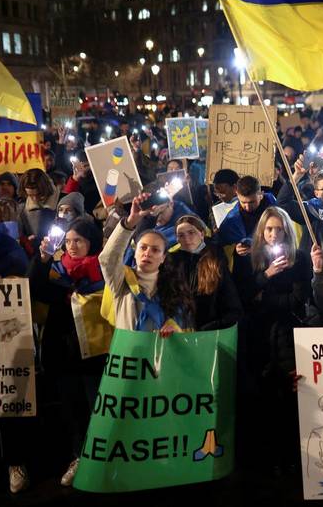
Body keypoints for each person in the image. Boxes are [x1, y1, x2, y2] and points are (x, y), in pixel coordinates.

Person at [27, 217, 106, 488]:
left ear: (91, 243)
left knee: (96, 406)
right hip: (63, 350)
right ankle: (77, 456)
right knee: (72, 409)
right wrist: (44, 259)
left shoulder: (102, 269)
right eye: (68, 241)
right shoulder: (56, 270)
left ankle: (99, 457)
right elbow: (35, 288)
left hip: (95, 353)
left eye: (79, 241)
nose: (72, 246)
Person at [232, 206, 312, 472]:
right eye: (269, 229)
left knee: (290, 393)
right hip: (258, 335)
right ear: (261, 231)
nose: (274, 234)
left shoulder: (298, 258)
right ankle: (266, 458)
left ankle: (293, 457)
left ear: (287, 230)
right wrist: (266, 276)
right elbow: (242, 297)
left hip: (289, 334)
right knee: (262, 393)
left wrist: (264, 298)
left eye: (279, 229)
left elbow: (298, 299)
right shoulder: (248, 257)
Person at [99, 193, 195, 332]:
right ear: (135, 252)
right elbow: (108, 259)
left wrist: (174, 328)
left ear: (163, 258)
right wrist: (130, 222)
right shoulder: (121, 281)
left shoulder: (173, 287)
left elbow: (184, 323)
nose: (147, 253)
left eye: (155, 250)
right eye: (143, 247)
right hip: (127, 352)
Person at [170, 215, 243, 330]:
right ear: (177, 239)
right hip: (180, 332)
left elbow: (232, 306)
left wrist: (211, 327)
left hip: (209, 332)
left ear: (202, 234)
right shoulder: (172, 263)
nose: (187, 239)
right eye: (181, 235)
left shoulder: (215, 261)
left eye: (191, 233)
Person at [278, 165, 323, 251]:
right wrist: (296, 176)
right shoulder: (310, 210)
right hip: (313, 263)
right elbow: (282, 204)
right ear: (317, 194)